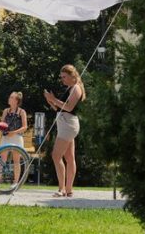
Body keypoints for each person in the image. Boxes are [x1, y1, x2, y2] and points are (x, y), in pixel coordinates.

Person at [43, 64, 85, 198]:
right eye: (61, 77)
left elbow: (69, 107)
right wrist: (51, 101)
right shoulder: (70, 88)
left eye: (64, 77)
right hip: (64, 123)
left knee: (56, 155)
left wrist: (54, 99)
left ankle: (62, 188)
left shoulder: (76, 88)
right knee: (69, 157)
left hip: (68, 125)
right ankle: (69, 190)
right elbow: (60, 108)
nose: (62, 80)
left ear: (72, 76)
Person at [0, 91, 28, 187]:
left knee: (16, 160)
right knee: (2, 159)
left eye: (11, 97)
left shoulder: (22, 112)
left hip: (16, 137)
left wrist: (13, 132)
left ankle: (15, 182)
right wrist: (0, 128)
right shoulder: (6, 111)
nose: (9, 98)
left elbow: (25, 127)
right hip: (5, 137)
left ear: (16, 100)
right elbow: (2, 123)